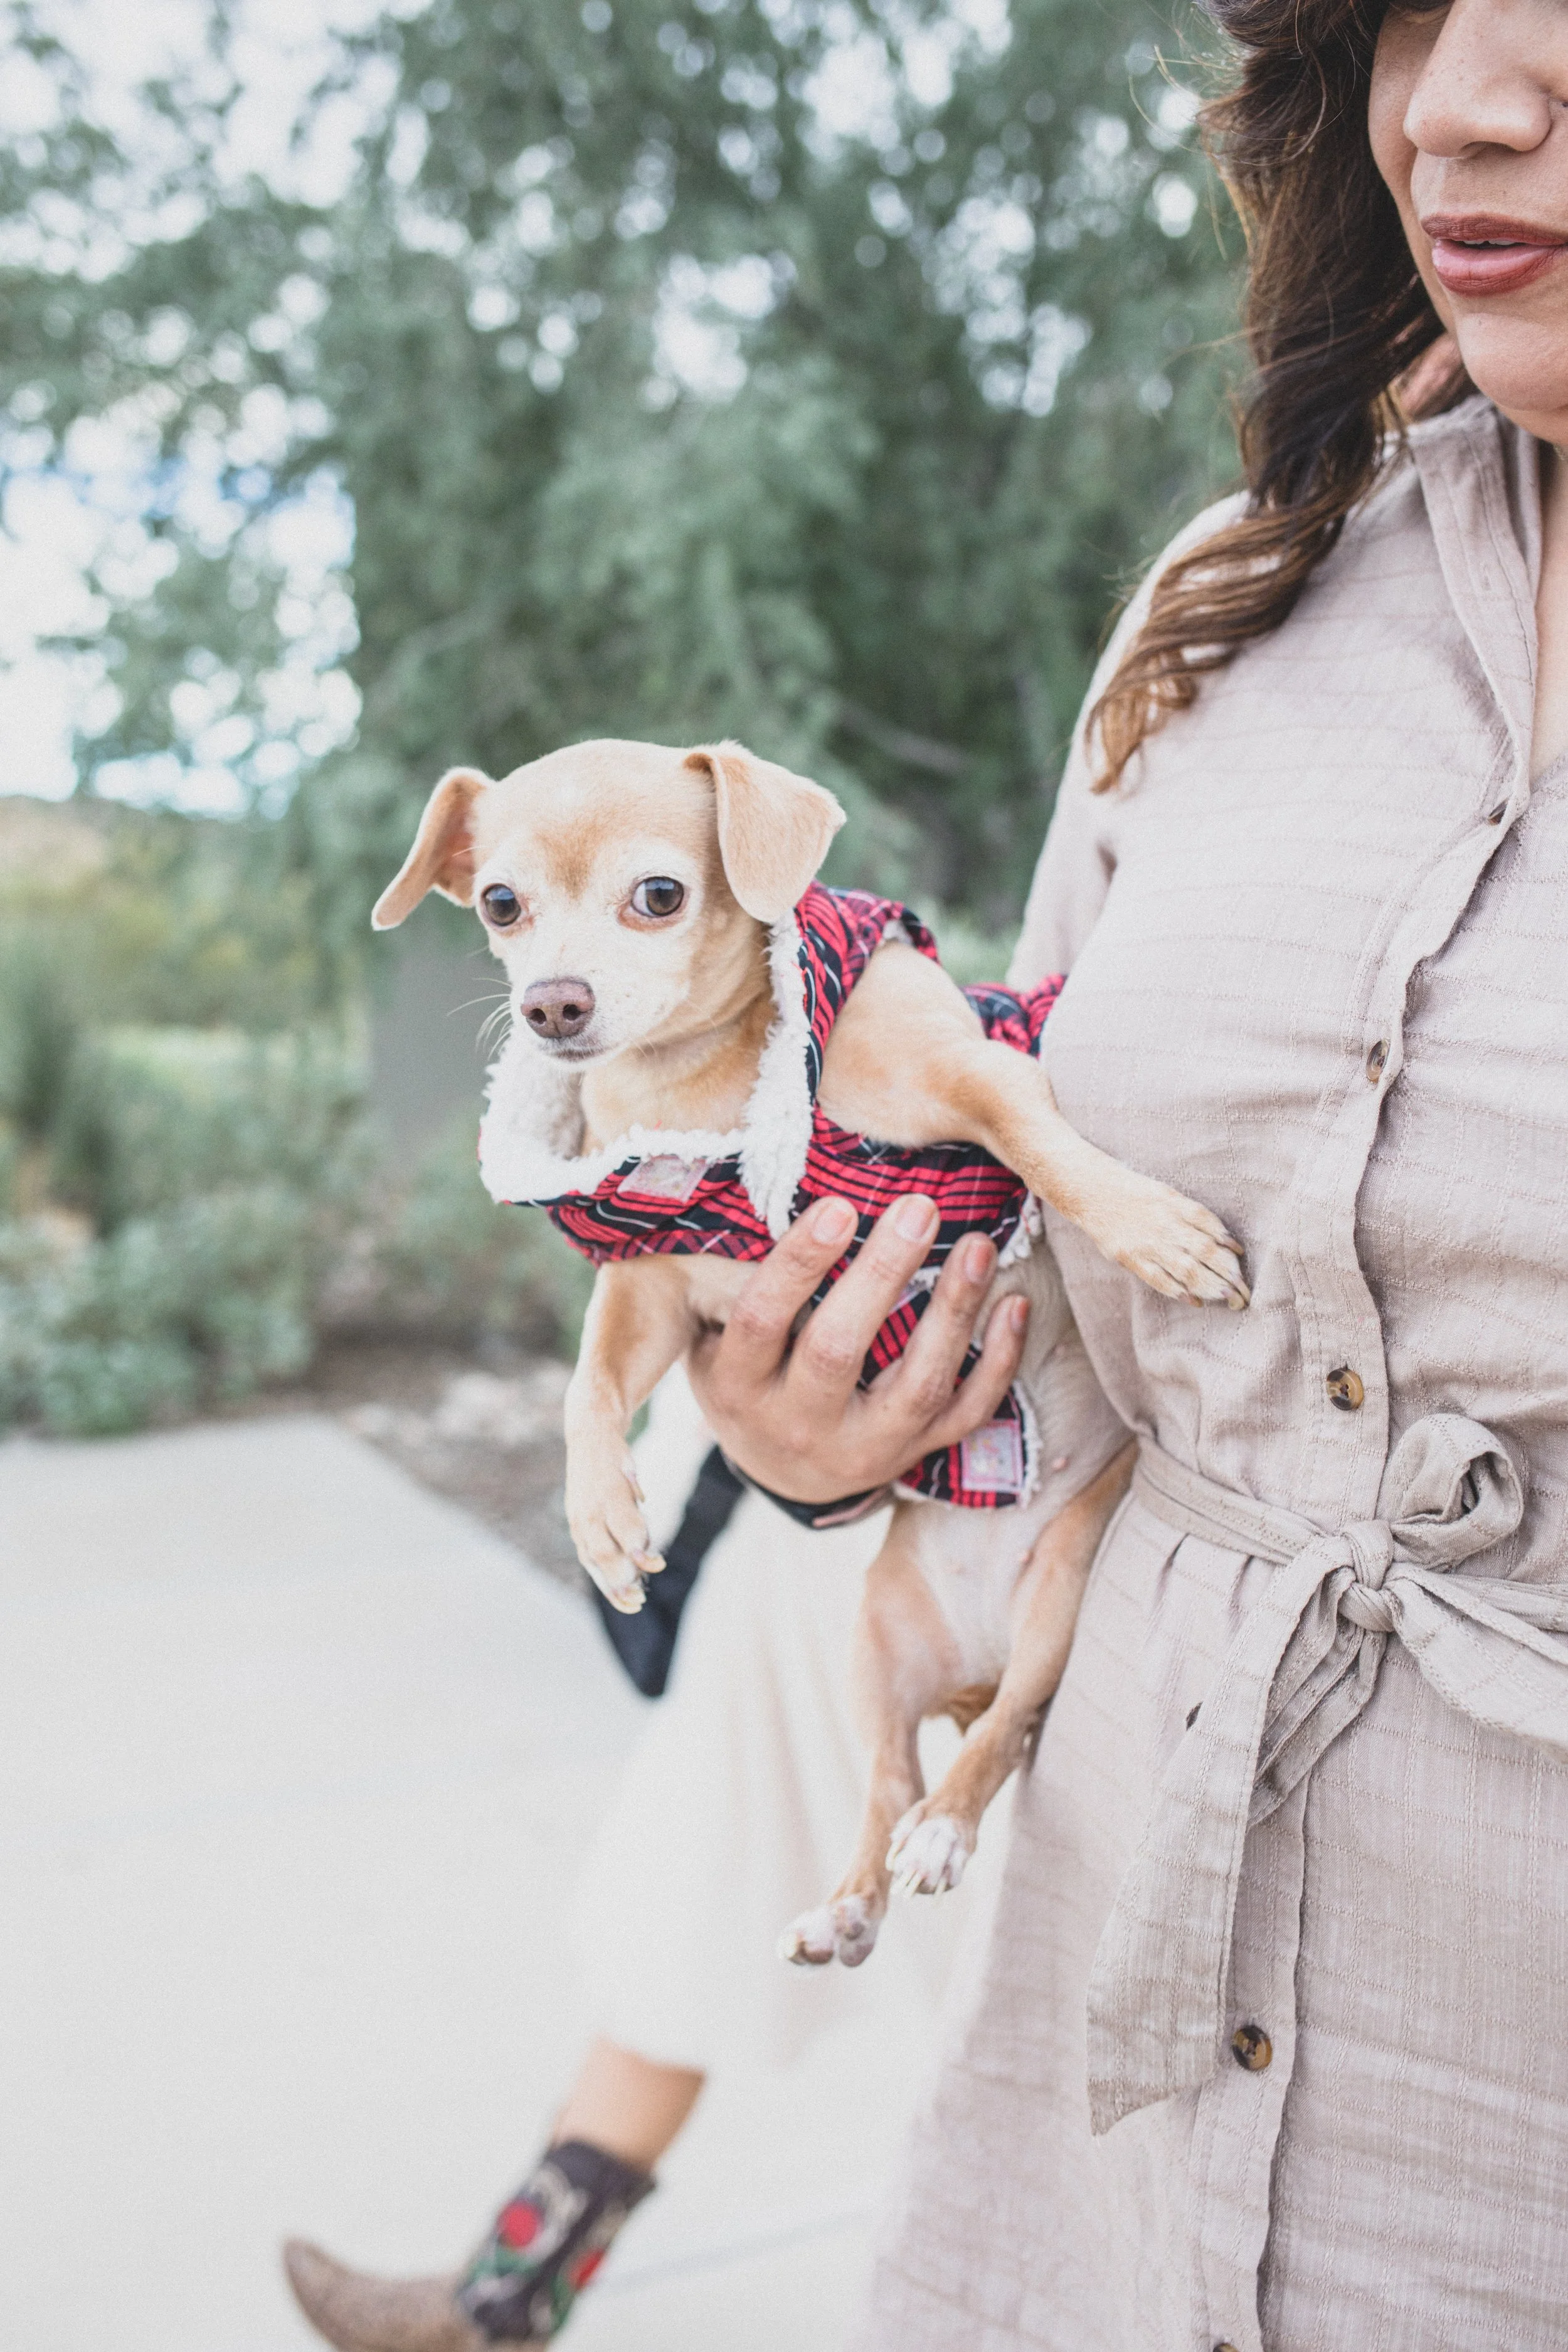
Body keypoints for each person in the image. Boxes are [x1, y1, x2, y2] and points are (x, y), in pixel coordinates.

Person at [680, 0, 1568, 2342]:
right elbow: (1073, 1299)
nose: (1464, 98)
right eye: (1415, 7)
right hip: (1102, 2121)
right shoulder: (1240, 591)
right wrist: (845, 1429)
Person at [283, 1356, 1008, 2352]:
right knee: (691, 1898)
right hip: (805, 1530)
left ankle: (496, 2307)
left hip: (917, 1535)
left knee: (1005, 1968)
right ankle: (497, 2304)